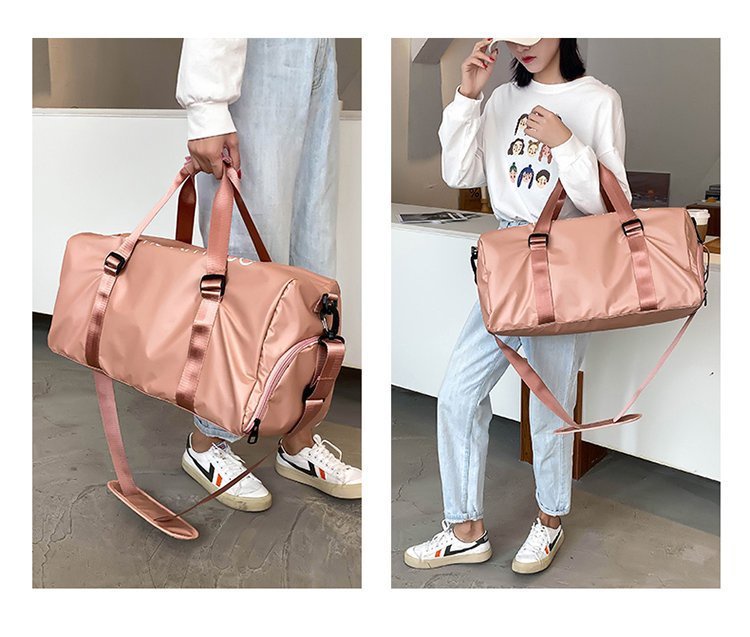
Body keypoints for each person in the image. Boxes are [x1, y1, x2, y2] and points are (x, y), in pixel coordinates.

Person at [404, 38, 630, 574]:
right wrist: (467, 96)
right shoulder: (503, 98)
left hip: (564, 259)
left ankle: (550, 520)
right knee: (458, 393)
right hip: (506, 259)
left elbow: (607, 204)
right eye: (515, 36)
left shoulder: (599, 100)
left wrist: (567, 144)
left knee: (549, 402)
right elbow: (460, 175)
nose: (523, 46)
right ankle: (465, 529)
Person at [175, 38, 361, 512]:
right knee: (245, 269)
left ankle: (298, 435)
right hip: (260, 42)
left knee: (312, 261)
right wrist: (207, 108)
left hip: (318, 44)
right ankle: (208, 440)